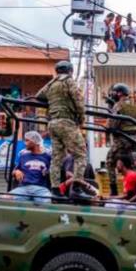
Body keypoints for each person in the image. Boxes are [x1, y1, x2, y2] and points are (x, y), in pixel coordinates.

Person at [34, 60, 90, 200]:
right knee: (81, 154)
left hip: (53, 123)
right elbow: (79, 101)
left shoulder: (52, 84)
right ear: (70, 71)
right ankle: (76, 187)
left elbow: (39, 95)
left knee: (57, 158)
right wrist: (82, 118)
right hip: (66, 122)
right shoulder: (69, 81)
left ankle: (55, 190)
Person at [105, 83, 136, 196]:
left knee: (110, 160)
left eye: (115, 92)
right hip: (134, 140)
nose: (113, 95)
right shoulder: (134, 107)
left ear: (119, 93)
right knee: (131, 163)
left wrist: (110, 111)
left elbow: (111, 126)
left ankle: (113, 189)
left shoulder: (118, 105)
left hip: (122, 139)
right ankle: (134, 189)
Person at [9, 131, 52, 204]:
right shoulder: (23, 156)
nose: (24, 143)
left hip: (41, 189)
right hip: (23, 188)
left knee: (48, 202)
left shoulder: (47, 157)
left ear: (34, 141)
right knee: (4, 199)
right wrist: (16, 171)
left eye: (27, 140)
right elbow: (13, 171)